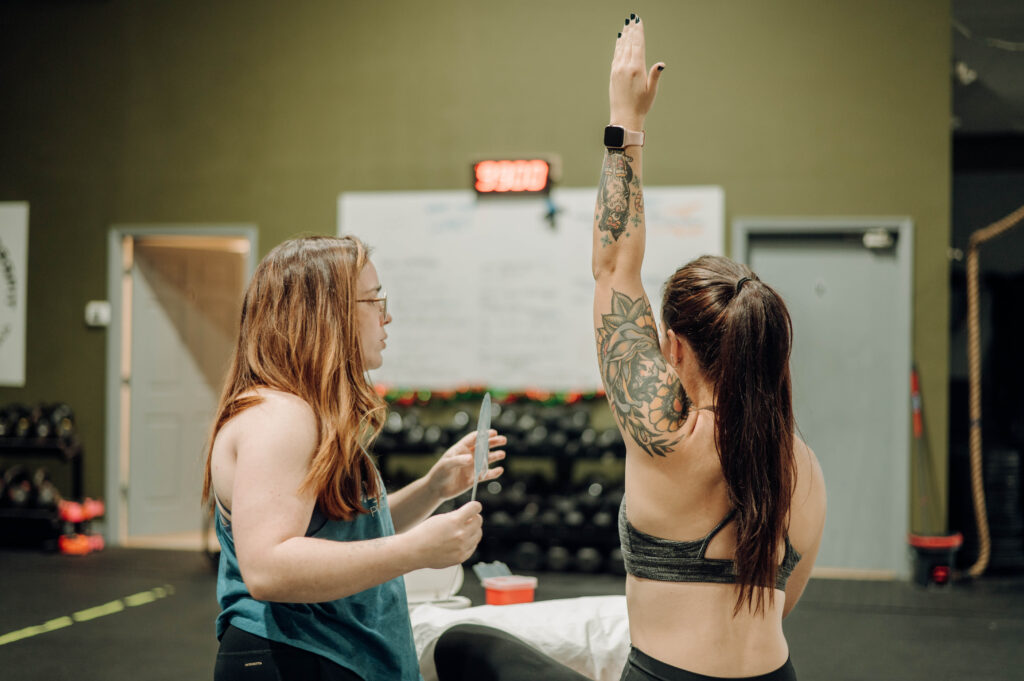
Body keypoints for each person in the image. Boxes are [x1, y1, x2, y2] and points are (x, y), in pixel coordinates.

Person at [593, 15, 827, 681]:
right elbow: (784, 601)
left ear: (674, 349)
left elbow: (615, 268)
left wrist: (625, 122)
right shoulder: (803, 467)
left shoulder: (663, 432)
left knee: (473, 649)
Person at [202, 235, 506, 681]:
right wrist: (416, 550)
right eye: (374, 300)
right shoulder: (281, 417)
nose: (387, 316)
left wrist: (434, 489)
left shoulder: (304, 413)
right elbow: (269, 568)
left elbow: (345, 536)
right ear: (327, 313)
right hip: (297, 659)